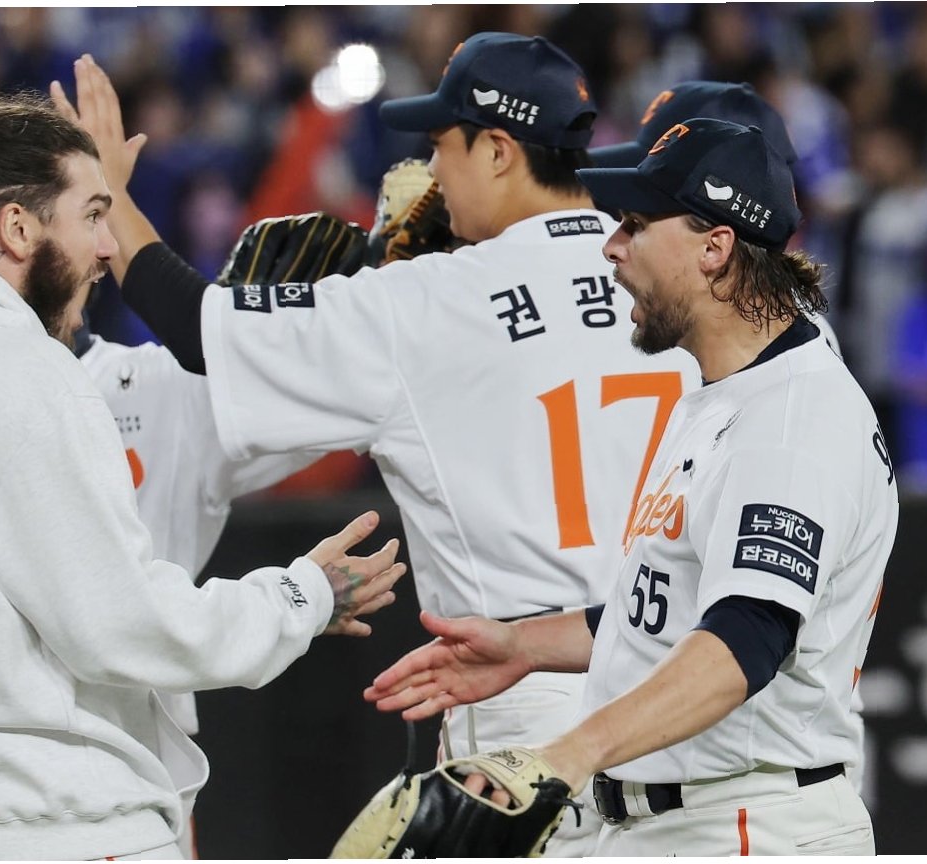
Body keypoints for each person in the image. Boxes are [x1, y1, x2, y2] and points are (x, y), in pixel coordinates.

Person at [56, 40, 705, 855]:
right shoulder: (672, 279)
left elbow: (198, 330)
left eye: (441, 146)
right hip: (688, 695)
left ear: (497, 150)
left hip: (523, 708)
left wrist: (113, 197)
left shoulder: (424, 300)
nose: (432, 172)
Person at [0, 92, 406, 861]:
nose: (107, 247)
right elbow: (121, 624)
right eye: (91, 215)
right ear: (17, 228)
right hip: (57, 826)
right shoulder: (26, 373)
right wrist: (300, 595)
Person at [366, 118, 898, 856]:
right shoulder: (726, 393)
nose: (611, 246)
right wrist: (524, 645)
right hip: (687, 822)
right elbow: (668, 609)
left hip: (748, 827)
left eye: (637, 225)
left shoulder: (790, 422)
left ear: (715, 248)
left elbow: (742, 645)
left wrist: (568, 753)